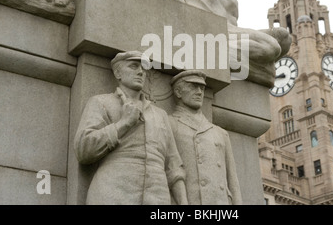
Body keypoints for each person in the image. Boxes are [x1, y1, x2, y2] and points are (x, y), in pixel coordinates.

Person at [74, 51, 188, 205]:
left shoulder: (160, 115)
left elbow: (173, 166)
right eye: (134, 66)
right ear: (118, 73)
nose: (141, 72)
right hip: (114, 193)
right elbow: (83, 149)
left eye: (143, 68)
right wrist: (124, 123)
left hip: (157, 197)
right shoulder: (101, 102)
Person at [169, 70, 242, 205]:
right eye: (193, 87)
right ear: (178, 92)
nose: (199, 92)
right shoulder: (169, 124)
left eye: (201, 88)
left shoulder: (220, 133)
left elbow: (233, 182)